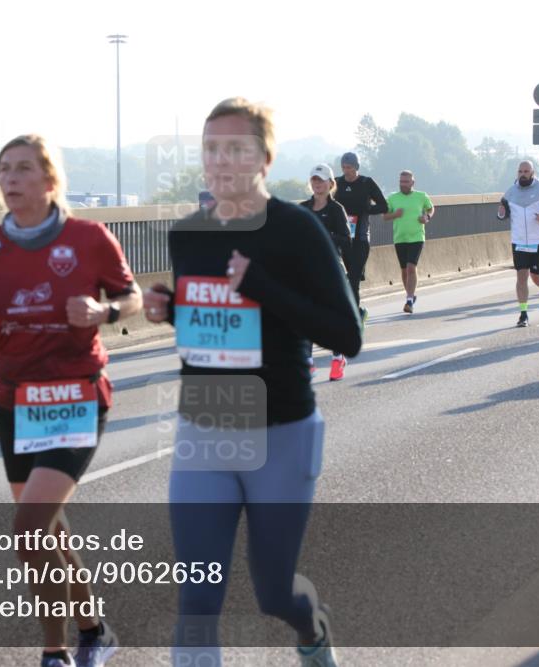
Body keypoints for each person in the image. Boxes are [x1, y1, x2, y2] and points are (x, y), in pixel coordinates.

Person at [143, 97, 362, 666]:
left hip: (281, 432)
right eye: (211, 149)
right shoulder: (188, 234)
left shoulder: (297, 230)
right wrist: (171, 310)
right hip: (204, 428)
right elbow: (211, 325)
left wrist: (260, 284)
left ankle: (311, 629)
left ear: (264, 158)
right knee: (197, 600)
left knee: (274, 592)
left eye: (235, 149)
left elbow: (347, 335)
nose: (220, 161)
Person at [0, 134, 142, 667]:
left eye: (23, 169)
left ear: (49, 179)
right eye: (4, 169)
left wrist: (104, 312)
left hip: (76, 394)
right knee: (48, 529)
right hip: (16, 401)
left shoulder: (88, 238)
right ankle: (95, 631)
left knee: (30, 529)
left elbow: (131, 297)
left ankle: (55, 653)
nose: (10, 178)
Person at [299, 163, 353, 380]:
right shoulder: (303, 208)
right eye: (314, 180)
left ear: (330, 184)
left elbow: (346, 240)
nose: (317, 184)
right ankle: (307, 363)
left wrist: (325, 236)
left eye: (321, 180)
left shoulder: (336, 209)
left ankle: (338, 358)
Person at [497, 160, 539, 327]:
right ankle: (523, 314)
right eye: (520, 171)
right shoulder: (510, 192)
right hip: (518, 241)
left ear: (532, 173)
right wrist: (501, 214)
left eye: (526, 171)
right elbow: (504, 213)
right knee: (521, 276)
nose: (523, 174)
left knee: (536, 277)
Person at [331, 152, 388, 318]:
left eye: (349, 167)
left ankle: (354, 318)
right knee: (342, 280)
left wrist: (367, 209)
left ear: (356, 167)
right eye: (343, 167)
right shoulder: (336, 183)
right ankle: (356, 312)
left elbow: (384, 206)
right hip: (342, 239)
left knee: (354, 280)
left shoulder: (366, 183)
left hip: (360, 239)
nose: (346, 171)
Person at [382, 170, 435, 313]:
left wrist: (427, 217)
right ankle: (411, 295)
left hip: (417, 237)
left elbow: (431, 208)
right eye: (401, 181)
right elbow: (385, 216)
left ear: (413, 182)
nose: (403, 184)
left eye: (406, 182)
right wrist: (395, 214)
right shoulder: (392, 198)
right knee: (404, 270)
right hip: (400, 238)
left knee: (411, 267)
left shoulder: (421, 196)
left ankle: (409, 300)